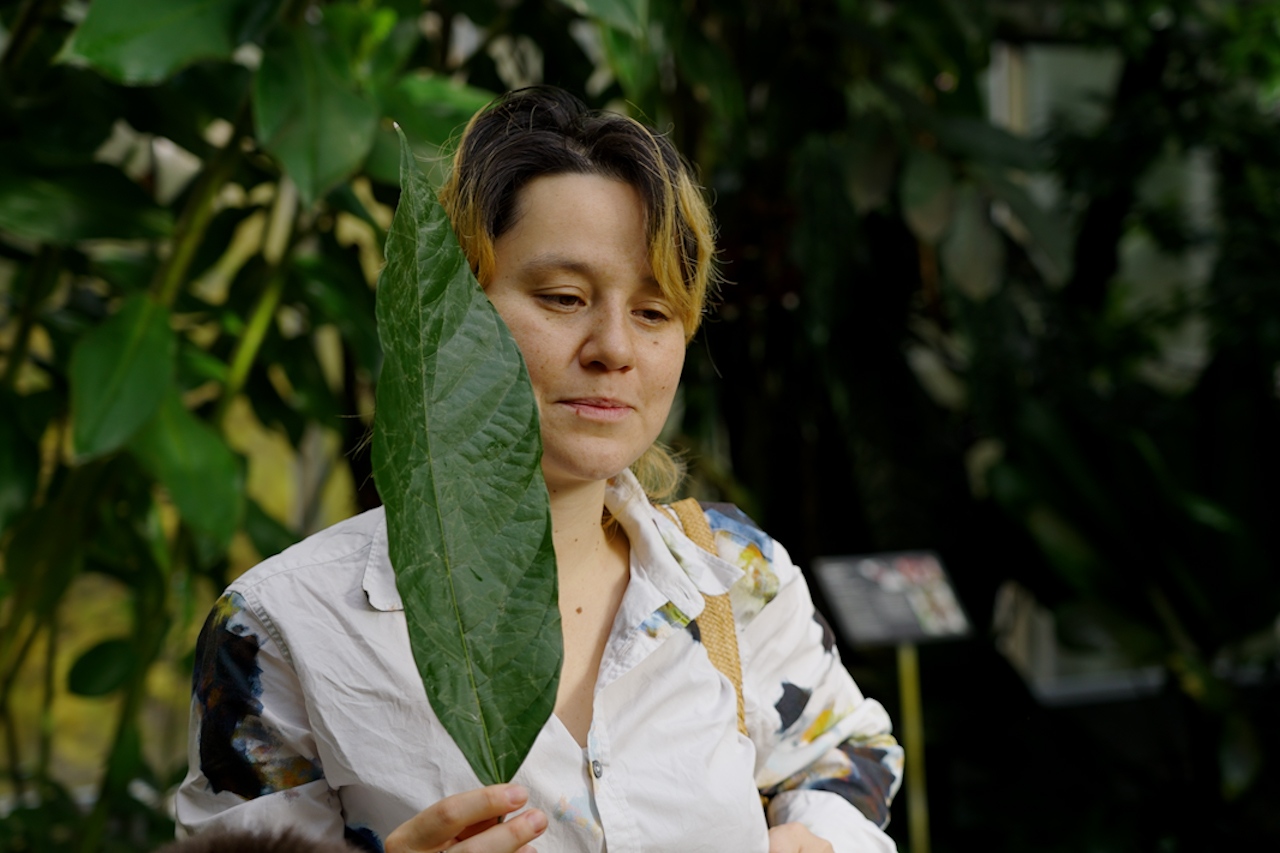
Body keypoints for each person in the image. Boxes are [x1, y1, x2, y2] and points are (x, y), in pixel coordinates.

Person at [175, 86, 902, 853]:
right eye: (564, 297)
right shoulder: (283, 628)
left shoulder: (733, 577)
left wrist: (816, 841)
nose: (614, 348)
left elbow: (848, 754)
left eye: (655, 313)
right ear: (451, 313)